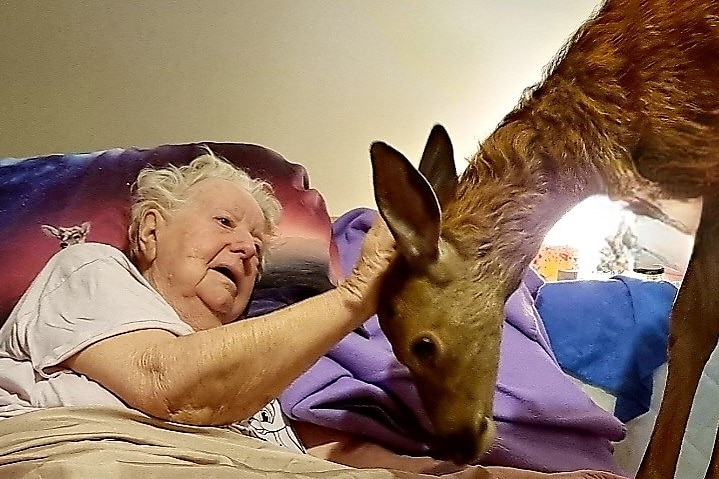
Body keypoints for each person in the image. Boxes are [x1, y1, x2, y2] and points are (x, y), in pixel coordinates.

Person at [0, 149, 627, 479]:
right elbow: (170, 385)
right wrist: (356, 295)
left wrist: (476, 478)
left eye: (257, 244)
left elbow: (320, 460)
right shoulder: (88, 270)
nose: (246, 248)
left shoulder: (255, 373)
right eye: (224, 223)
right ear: (149, 230)